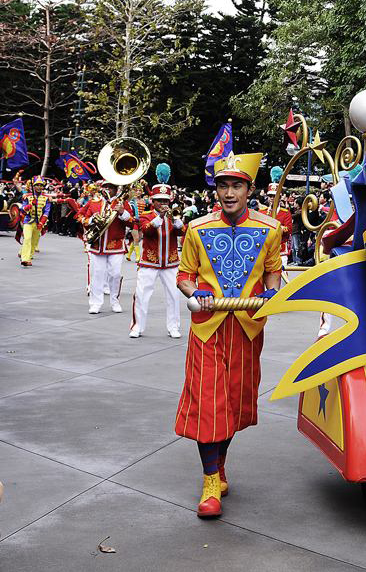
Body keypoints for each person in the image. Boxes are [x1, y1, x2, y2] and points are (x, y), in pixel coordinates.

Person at [174, 151, 282, 519]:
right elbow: (184, 275)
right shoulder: (197, 229)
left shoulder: (270, 230)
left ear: (249, 189)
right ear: (215, 190)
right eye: (223, 185)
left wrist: (271, 291)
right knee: (208, 402)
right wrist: (195, 293)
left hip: (248, 329)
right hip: (208, 329)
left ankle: (220, 465)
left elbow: (273, 272)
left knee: (233, 404)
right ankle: (209, 481)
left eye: (236, 185)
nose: (229, 192)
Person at [130, 183, 185, 339]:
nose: (163, 204)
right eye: (160, 201)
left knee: (174, 295)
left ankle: (173, 327)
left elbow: (183, 233)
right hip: (149, 262)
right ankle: (137, 326)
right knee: (141, 294)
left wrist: (179, 224)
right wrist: (159, 217)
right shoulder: (146, 215)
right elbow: (146, 231)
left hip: (171, 263)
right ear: (153, 201)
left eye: (166, 201)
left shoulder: (173, 216)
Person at [79, 180, 132, 314]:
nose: (107, 189)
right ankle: (95, 303)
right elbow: (81, 216)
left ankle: (115, 301)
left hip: (116, 246)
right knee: (97, 274)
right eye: (105, 187)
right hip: (97, 244)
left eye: (111, 187)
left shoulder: (122, 203)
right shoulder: (94, 202)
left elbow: (132, 223)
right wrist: (91, 220)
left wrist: (122, 213)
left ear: (116, 189)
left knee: (115, 274)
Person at [19, 176, 51, 267]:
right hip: (28, 221)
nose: (39, 187)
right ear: (34, 186)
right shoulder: (27, 197)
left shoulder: (46, 198)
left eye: (41, 185)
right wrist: (29, 205)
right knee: (27, 238)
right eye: (37, 185)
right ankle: (25, 259)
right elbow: (22, 210)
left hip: (39, 222)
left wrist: (41, 223)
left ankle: (29, 255)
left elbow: (46, 212)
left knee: (34, 241)